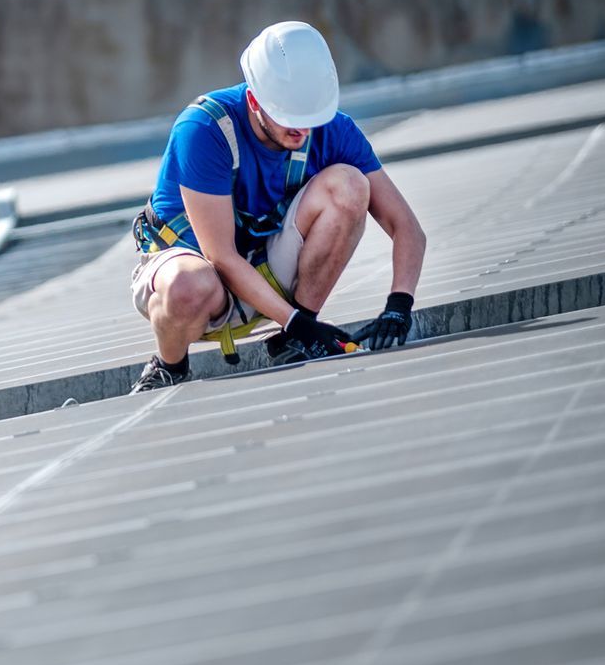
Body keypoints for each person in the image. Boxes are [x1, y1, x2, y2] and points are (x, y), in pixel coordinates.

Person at [128, 20, 427, 393]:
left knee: (350, 186)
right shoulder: (204, 129)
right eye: (289, 120)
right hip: (195, 272)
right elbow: (220, 257)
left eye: (310, 119)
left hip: (262, 263)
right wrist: (297, 322)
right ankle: (169, 366)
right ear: (255, 102)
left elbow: (407, 227)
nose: (302, 131)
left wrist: (398, 306)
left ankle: (292, 343)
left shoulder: (331, 128)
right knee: (190, 285)